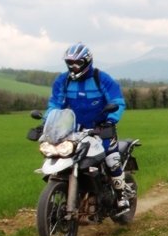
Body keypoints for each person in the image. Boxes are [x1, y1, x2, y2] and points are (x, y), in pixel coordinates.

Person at [44, 42, 131, 212]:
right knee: (62, 155)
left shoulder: (102, 79)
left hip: (101, 128)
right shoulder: (63, 81)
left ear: (87, 62)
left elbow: (117, 102)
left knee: (111, 159)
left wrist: (110, 119)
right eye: (70, 63)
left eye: (77, 63)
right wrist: (47, 122)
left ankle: (121, 197)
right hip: (73, 131)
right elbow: (55, 103)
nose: (73, 67)